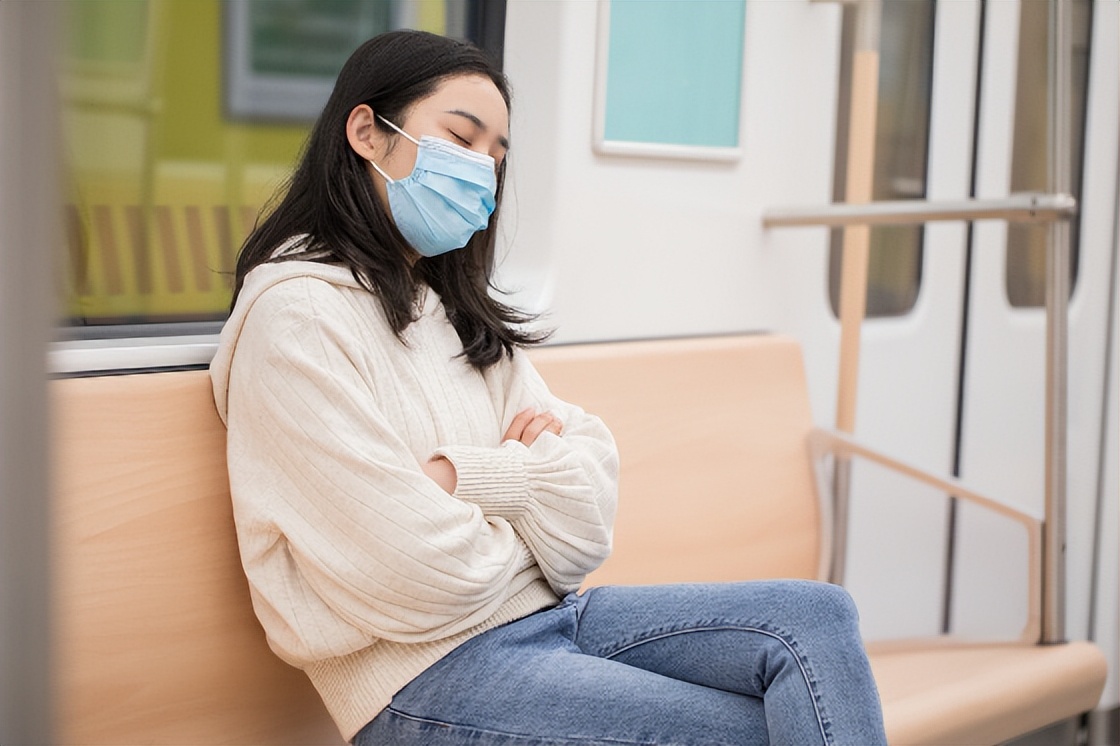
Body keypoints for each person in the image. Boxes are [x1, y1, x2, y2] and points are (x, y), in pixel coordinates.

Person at [209, 29, 887, 746]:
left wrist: (470, 479)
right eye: (461, 139)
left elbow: (590, 513)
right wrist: (532, 506)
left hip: (549, 619)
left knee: (818, 618)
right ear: (368, 132)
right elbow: (410, 568)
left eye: (497, 157)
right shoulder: (296, 317)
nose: (482, 172)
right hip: (422, 679)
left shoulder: (449, 309)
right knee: (754, 734)